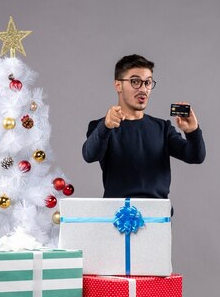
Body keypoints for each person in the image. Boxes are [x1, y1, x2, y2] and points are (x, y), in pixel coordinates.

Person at [82, 54, 206, 199]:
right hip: (118, 215)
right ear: (118, 85)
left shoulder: (162, 128)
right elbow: (89, 155)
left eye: (147, 82)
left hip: (157, 216)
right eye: (135, 81)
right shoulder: (102, 126)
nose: (143, 89)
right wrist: (106, 126)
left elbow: (195, 156)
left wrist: (193, 131)